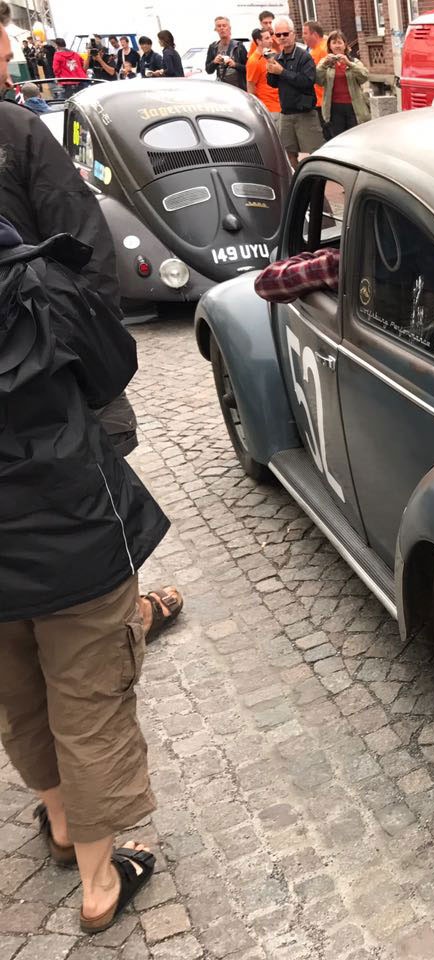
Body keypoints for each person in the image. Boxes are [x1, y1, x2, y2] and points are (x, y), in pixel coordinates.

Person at [0, 4, 165, 930]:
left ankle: (60, 821)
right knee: (87, 682)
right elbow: (106, 356)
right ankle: (100, 882)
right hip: (59, 496)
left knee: (15, 678)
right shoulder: (32, 268)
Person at [0, 35, 185, 645]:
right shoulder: (17, 130)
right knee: (84, 506)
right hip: (41, 374)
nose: (8, 66)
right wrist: (93, 364)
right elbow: (83, 249)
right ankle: (117, 624)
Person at [265, 16, 323, 166]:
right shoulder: (277, 57)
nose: (282, 37)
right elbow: (273, 84)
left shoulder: (304, 57)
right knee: (288, 154)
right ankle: (298, 178)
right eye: (278, 35)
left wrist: (282, 72)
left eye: (285, 34)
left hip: (305, 113)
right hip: (286, 113)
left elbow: (307, 81)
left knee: (314, 155)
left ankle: (315, 180)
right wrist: (270, 70)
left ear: (293, 34)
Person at [316, 31, 369, 137]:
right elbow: (318, 80)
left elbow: (364, 76)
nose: (337, 46)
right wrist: (324, 64)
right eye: (334, 43)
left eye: (340, 42)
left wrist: (349, 63)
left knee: (355, 137)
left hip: (353, 107)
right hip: (334, 108)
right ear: (330, 46)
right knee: (339, 138)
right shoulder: (325, 63)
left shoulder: (353, 61)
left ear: (345, 45)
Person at [254, 247, 340, 302]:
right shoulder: (334, 259)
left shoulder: (334, 262)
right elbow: (264, 283)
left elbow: (263, 284)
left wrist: (329, 264)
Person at [246, 26, 281, 131]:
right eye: (267, 38)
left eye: (270, 37)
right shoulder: (254, 61)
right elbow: (251, 87)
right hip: (269, 108)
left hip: (281, 104)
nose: (271, 40)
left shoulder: (273, 53)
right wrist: (257, 109)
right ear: (258, 41)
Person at [206, 16, 247, 89]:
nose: (222, 28)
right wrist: (214, 62)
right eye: (219, 26)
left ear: (229, 28)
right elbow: (208, 71)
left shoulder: (239, 46)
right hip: (222, 89)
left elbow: (249, 69)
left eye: (224, 25)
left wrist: (235, 65)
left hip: (238, 89)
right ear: (216, 29)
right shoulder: (213, 47)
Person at [302, 18, 326, 132]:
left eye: (305, 33)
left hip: (322, 100)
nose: (303, 36)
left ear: (315, 35)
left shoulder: (320, 51)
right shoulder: (318, 48)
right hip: (319, 99)